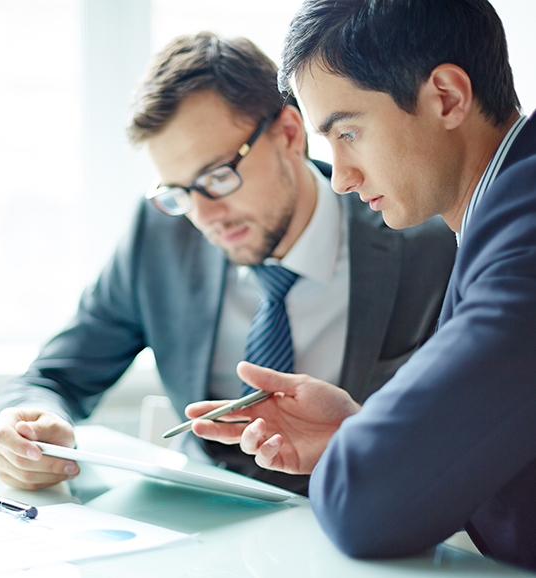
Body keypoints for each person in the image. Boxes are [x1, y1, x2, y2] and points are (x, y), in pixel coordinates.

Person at [0, 32, 455, 496]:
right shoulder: (160, 236)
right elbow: (53, 377)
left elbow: (461, 439)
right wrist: (28, 425)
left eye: (217, 177)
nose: (204, 217)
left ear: (289, 134)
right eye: (180, 192)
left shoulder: (423, 246)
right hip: (203, 531)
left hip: (355, 529)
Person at [186, 0, 536, 571]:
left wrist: (368, 451)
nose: (342, 179)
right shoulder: (502, 209)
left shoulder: (525, 233)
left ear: (446, 97)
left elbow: (364, 505)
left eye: (348, 131)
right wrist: (360, 431)